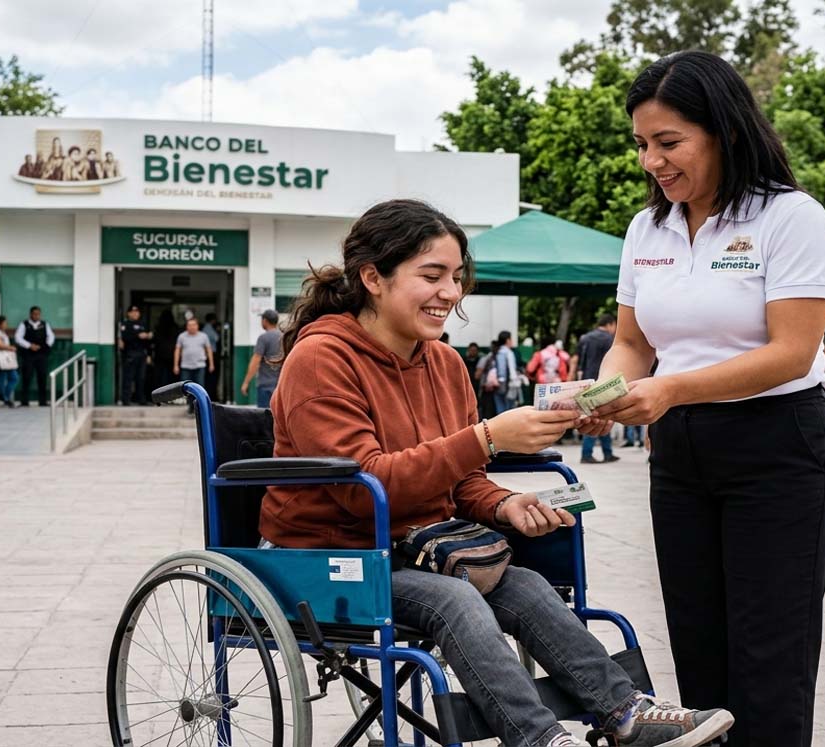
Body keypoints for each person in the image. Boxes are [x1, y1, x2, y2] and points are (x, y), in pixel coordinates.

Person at [260, 198, 733, 747]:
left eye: (457, 277)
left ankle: (625, 712)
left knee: (526, 585)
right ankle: (539, 739)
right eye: (431, 275)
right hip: (329, 557)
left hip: (419, 548)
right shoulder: (322, 359)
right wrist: (485, 437)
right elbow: (363, 490)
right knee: (455, 599)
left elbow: (460, 482)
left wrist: (504, 503)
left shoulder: (443, 363)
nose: (451, 293)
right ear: (373, 278)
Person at [582, 51, 825, 747]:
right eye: (641, 144)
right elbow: (633, 342)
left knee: (770, 655)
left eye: (669, 143)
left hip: (777, 446)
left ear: (723, 131)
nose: (651, 161)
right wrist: (607, 388)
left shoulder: (791, 218)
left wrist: (670, 387)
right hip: (680, 453)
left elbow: (792, 350)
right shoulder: (649, 229)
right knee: (698, 647)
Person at [576, 314, 619, 464]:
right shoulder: (610, 340)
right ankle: (586, 454)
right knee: (597, 417)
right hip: (604, 381)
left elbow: (579, 360)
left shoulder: (585, 338)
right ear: (610, 324)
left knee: (600, 416)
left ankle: (608, 453)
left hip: (587, 382)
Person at [240, 309, 283, 408]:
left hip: (265, 386)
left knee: (264, 418)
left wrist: (246, 382)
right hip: (280, 386)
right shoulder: (284, 337)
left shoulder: (263, 338)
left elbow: (255, 361)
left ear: (265, 321)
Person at [15, 306, 54, 407]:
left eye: (38, 314)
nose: (36, 316)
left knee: (42, 377)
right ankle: (24, 401)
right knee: (26, 377)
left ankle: (43, 401)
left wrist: (46, 346)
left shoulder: (45, 324)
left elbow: (51, 336)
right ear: (30, 314)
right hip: (28, 355)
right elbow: (18, 338)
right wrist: (29, 345)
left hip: (41, 355)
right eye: (34, 314)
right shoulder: (24, 324)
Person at [174, 317, 213, 415]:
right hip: (186, 366)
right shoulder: (182, 336)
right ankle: (191, 407)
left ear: (197, 326)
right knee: (187, 389)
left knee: (200, 388)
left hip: (200, 366)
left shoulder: (203, 336)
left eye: (193, 325)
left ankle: (199, 408)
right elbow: (177, 350)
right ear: (186, 326)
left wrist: (211, 363)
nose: (191, 327)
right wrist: (176, 365)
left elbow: (208, 349)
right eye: (189, 325)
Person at [119, 305, 153, 406]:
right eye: (133, 312)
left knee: (141, 378)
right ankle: (126, 400)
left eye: (137, 312)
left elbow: (148, 341)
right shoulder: (125, 324)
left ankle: (141, 399)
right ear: (128, 313)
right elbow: (125, 338)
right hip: (130, 354)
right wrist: (138, 335)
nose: (135, 314)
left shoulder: (143, 324)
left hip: (142, 354)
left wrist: (149, 354)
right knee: (128, 378)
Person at [492, 330, 519, 414]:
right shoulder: (508, 352)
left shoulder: (497, 351)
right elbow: (510, 369)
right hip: (506, 383)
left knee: (500, 407)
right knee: (507, 409)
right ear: (508, 340)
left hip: (498, 383)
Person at [202, 312, 222, 401]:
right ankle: (211, 396)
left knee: (209, 377)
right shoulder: (209, 329)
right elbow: (217, 338)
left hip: (208, 355)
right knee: (212, 378)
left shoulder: (205, 329)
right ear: (213, 320)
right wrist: (218, 330)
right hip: (211, 356)